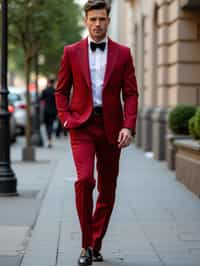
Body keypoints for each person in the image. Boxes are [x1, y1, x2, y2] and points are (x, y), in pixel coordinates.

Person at [55, 0, 138, 265]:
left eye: (102, 19)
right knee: (84, 181)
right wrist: (66, 118)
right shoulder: (71, 52)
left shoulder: (123, 53)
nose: (98, 24)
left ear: (108, 21)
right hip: (82, 126)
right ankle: (85, 246)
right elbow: (60, 90)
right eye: (93, 19)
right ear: (85, 20)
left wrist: (128, 125)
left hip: (112, 129)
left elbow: (131, 93)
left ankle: (95, 242)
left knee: (108, 189)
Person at [40, 78, 57, 148]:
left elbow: (41, 99)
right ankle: (50, 140)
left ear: (48, 83)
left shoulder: (45, 91)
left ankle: (48, 139)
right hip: (53, 111)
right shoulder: (55, 91)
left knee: (47, 125)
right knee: (51, 125)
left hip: (46, 111)